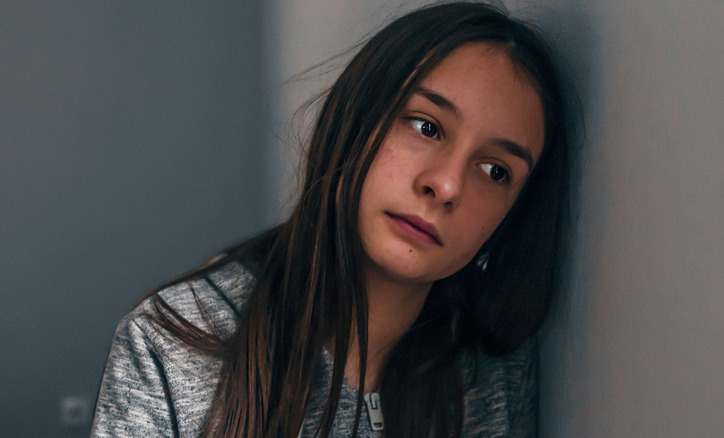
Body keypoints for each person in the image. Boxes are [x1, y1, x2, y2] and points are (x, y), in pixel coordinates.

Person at [91, 2, 570, 437]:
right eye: (426, 127)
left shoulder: (495, 368)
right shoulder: (172, 345)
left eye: (495, 171)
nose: (447, 186)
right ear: (356, 119)